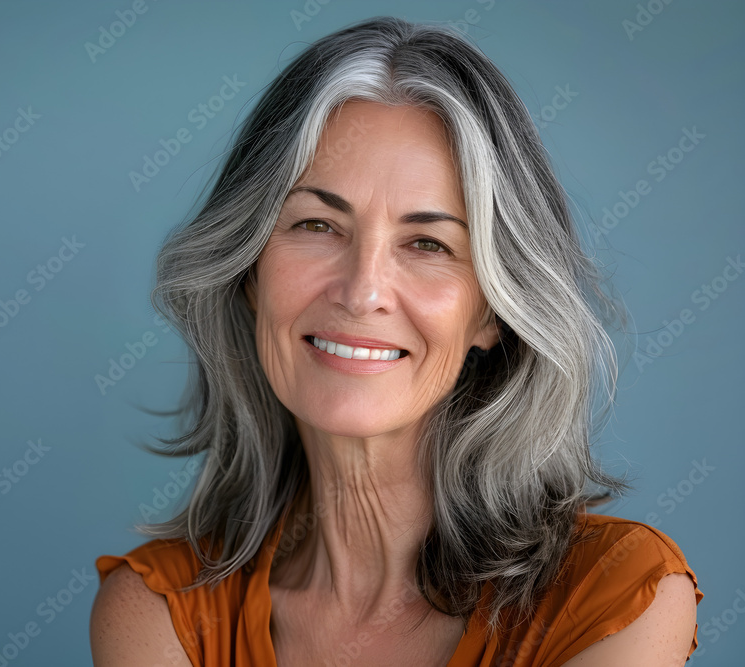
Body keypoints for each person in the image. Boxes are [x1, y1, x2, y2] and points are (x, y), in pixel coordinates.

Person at [90, 17, 702, 667]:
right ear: (250, 272)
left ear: (492, 311)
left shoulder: (616, 594)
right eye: (318, 224)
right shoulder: (159, 612)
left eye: (428, 243)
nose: (361, 291)